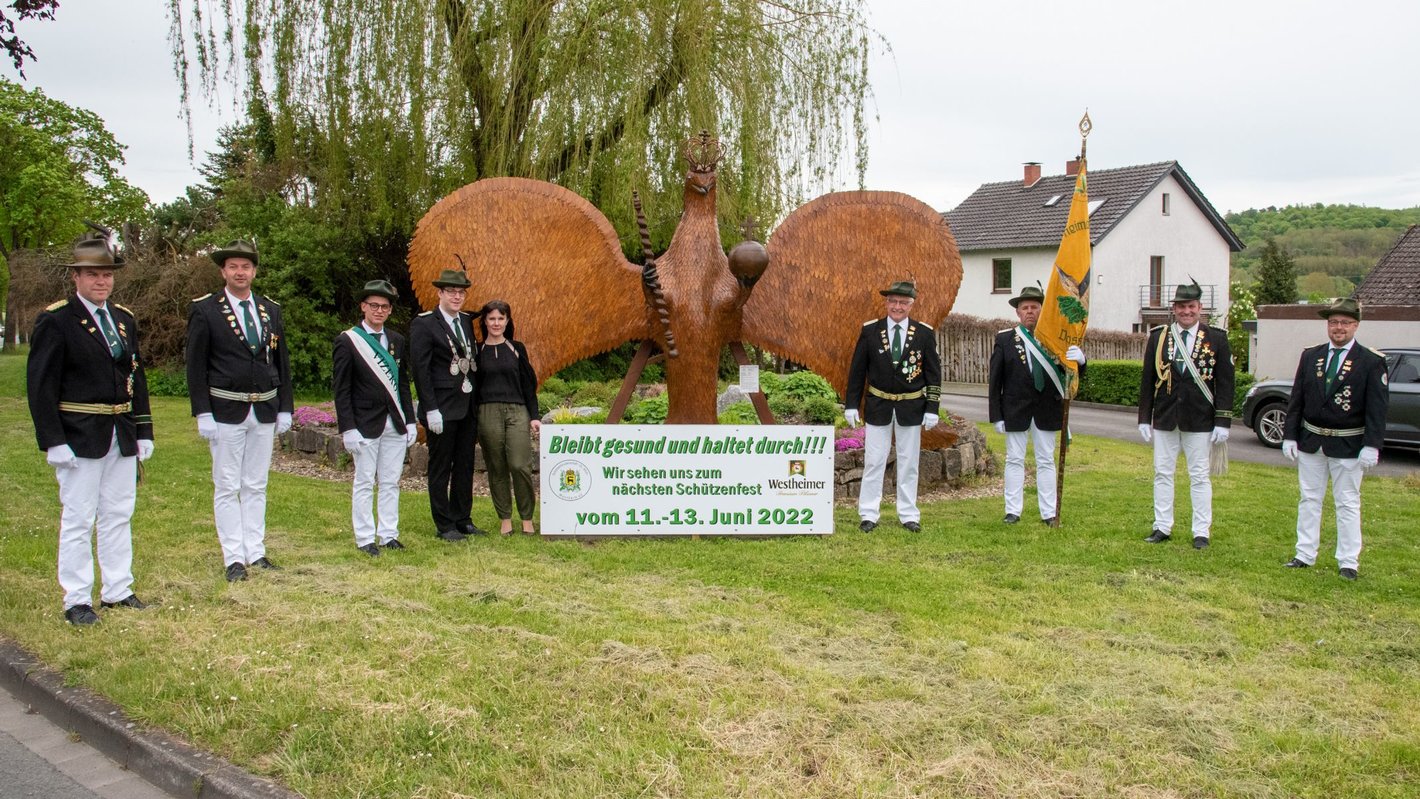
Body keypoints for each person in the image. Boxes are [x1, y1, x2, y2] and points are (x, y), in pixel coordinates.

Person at [26, 234, 154, 625]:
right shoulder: (57, 320)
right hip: (79, 432)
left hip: (120, 429)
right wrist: (53, 440)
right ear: (76, 277)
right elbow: (40, 385)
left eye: (107, 275)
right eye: (93, 275)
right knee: (80, 517)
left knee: (118, 513)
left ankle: (118, 589)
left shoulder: (123, 319)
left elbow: (136, 376)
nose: (102, 282)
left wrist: (144, 429)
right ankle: (77, 598)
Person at [186, 240, 293, 582]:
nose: (240, 272)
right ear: (223, 271)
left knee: (256, 484)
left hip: (263, 409)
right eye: (233, 267)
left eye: (246, 267)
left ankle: (256, 551)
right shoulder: (206, 310)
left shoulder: (269, 310)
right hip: (225, 409)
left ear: (254, 271)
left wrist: (285, 407)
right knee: (228, 485)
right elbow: (195, 365)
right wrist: (202, 411)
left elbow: (281, 362)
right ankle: (233, 557)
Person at [1281, 298, 1388, 580]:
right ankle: (1304, 554)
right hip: (1311, 441)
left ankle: (1348, 561)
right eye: (1333, 322)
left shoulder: (1371, 361)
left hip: (1348, 444)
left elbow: (1378, 408)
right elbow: (1297, 400)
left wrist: (1372, 445)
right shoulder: (1311, 355)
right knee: (1309, 499)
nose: (1338, 328)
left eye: (1344, 323)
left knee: (1348, 503)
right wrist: (1290, 435)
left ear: (1355, 326)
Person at [1137, 280, 1234, 549]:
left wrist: (1222, 421)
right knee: (1162, 473)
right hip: (1166, 417)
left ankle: (1201, 531)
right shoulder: (1159, 336)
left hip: (1200, 419)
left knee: (1199, 476)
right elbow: (1147, 380)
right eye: (1181, 307)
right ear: (1174, 309)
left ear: (1199, 308)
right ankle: (1162, 526)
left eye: (1191, 306)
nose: (1186, 311)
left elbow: (1225, 383)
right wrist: (1144, 417)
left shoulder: (1217, 338)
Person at [844, 280, 942, 533]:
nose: (897, 306)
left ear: (911, 305)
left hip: (911, 407)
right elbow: (857, 372)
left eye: (903, 302)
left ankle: (909, 514)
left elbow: (933, 374)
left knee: (909, 462)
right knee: (874, 461)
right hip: (879, 405)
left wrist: (932, 407)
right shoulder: (870, 331)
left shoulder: (923, 333)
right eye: (893, 301)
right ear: (886, 303)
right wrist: (851, 404)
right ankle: (869, 513)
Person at [988, 285, 1087, 525]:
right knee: (1014, 460)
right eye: (1025, 308)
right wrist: (996, 415)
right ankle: (1013, 511)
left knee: (1045, 460)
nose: (1030, 312)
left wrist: (1081, 361)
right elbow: (995, 380)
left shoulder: (1055, 338)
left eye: (1034, 307)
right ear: (1018, 313)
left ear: (1042, 310)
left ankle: (1048, 513)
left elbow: (1069, 372)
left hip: (1047, 409)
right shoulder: (1005, 339)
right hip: (1015, 409)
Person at [333, 280, 418, 556]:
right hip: (364, 422)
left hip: (394, 421)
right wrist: (348, 428)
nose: (378, 311)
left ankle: (388, 534)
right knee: (365, 480)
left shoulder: (396, 340)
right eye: (374, 305)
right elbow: (342, 388)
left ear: (390, 310)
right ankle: (365, 537)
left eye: (384, 306)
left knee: (391, 480)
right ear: (363, 307)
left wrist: (409, 420)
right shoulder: (348, 340)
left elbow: (402, 384)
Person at [410, 269, 486, 541]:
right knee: (441, 467)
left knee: (465, 465)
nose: (457, 296)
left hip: (466, 406)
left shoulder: (465, 320)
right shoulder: (425, 324)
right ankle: (444, 525)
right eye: (451, 291)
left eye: (461, 292)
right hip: (440, 408)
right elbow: (421, 370)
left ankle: (462, 518)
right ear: (440, 293)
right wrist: (430, 409)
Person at [474, 300, 541, 535]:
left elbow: (528, 384)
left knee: (519, 464)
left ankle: (526, 517)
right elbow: (473, 388)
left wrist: (534, 416)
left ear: (507, 321)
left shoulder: (516, 348)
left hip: (517, 410)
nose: (496, 323)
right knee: (497, 466)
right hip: (487, 411)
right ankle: (505, 518)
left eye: (500, 318)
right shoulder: (477, 350)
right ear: (485, 321)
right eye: (491, 318)